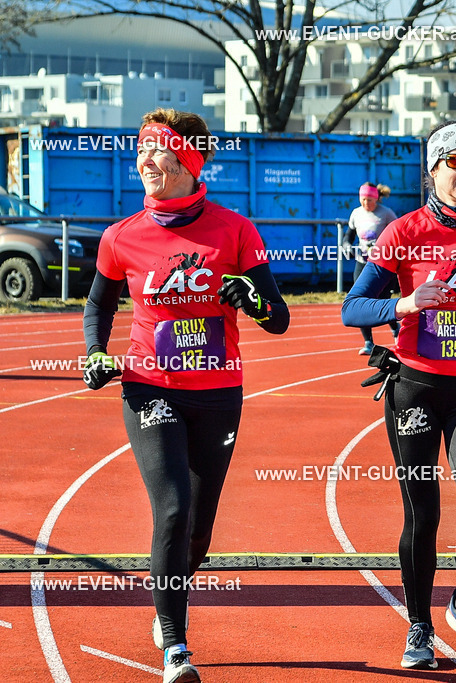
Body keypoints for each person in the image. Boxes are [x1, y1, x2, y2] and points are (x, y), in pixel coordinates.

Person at [81, 109, 289, 683]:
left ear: (189, 161)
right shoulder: (120, 236)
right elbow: (99, 305)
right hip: (150, 387)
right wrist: (97, 352)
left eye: (158, 152)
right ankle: (175, 642)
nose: (144, 162)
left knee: (198, 528)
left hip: (218, 391)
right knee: (171, 509)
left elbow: (279, 320)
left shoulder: (236, 230)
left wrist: (249, 299)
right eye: (141, 151)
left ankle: (171, 591)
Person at [342, 121, 456, 670]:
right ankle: (418, 626)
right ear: (433, 169)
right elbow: (353, 308)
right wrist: (405, 304)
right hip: (415, 389)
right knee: (422, 515)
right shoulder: (402, 232)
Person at [347, 182, 399, 354]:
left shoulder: (386, 214)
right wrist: (346, 245)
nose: (366, 203)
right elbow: (349, 236)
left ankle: (396, 330)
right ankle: (368, 342)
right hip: (362, 263)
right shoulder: (356, 213)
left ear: (376, 199)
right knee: (360, 300)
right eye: (362, 200)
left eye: (369, 200)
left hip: (382, 266)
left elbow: (398, 236)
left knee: (382, 300)